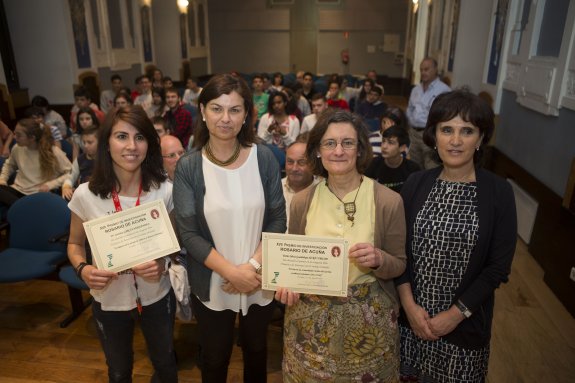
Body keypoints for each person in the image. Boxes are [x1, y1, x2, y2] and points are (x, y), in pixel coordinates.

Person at [275, 109, 407, 382]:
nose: (338, 151)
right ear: (318, 152)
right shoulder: (302, 201)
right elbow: (293, 264)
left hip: (369, 323)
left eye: (347, 143)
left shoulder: (388, 201)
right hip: (310, 322)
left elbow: (399, 263)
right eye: (329, 143)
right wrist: (287, 284)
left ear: (360, 150)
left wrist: (379, 258)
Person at [396, 90, 517, 382]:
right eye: (446, 129)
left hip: (465, 326)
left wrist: (454, 315)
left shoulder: (498, 192)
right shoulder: (415, 183)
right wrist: (410, 307)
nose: (455, 140)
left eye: (467, 131)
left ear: (481, 138)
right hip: (411, 322)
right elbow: (397, 250)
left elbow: (497, 268)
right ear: (433, 135)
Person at [173, 73, 286, 383]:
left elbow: (278, 220)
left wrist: (249, 268)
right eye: (217, 108)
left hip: (259, 276)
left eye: (235, 109)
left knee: (256, 351)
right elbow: (188, 233)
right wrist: (232, 272)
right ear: (203, 111)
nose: (226, 118)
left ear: (247, 114)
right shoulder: (189, 166)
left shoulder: (263, 158)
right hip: (212, 281)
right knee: (214, 357)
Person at [67, 105, 178, 383]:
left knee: (165, 365)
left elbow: (172, 244)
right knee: (118, 372)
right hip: (110, 299)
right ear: (107, 144)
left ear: (149, 145)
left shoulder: (164, 190)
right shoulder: (85, 194)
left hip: (156, 296)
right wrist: (83, 269)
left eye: (140, 137)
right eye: (122, 137)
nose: (132, 146)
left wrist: (162, 264)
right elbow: (74, 244)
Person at [0, 118, 72, 207]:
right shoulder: (17, 148)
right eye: (14, 133)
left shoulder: (53, 152)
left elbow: (71, 172)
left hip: (39, 193)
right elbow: (9, 165)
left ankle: (21, 207)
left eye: (19, 135)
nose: (14, 137)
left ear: (32, 138)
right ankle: (22, 207)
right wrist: (2, 179)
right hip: (18, 190)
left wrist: (50, 184)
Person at [406, 57, 451, 169]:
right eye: (421, 70)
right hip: (414, 133)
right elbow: (410, 109)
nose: (423, 72)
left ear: (435, 69)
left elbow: (446, 116)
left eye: (426, 69)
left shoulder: (444, 90)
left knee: (431, 167)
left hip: (430, 134)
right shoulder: (416, 89)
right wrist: (411, 121)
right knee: (415, 167)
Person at [365, 126, 420, 193]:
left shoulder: (413, 169)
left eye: (390, 143)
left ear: (402, 148)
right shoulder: (372, 164)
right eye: (383, 141)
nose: (384, 146)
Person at [282, 132, 319, 223]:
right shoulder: (273, 189)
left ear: (313, 163)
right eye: (290, 162)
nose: (294, 168)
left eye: (301, 162)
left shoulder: (322, 192)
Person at [62, 126, 98, 200]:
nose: (85, 146)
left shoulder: (108, 158)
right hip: (84, 197)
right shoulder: (80, 159)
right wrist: (66, 187)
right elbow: (70, 177)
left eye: (90, 142)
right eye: (84, 142)